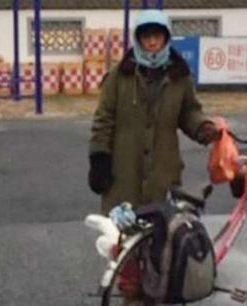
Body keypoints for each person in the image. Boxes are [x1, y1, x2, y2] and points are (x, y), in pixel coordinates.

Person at [88, 10, 219, 305]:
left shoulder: (179, 76)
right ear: (138, 38)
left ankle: (155, 296)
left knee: (163, 246)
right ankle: (131, 297)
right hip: (124, 176)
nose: (151, 42)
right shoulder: (119, 76)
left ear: (165, 38)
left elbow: (189, 113)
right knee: (127, 247)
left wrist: (203, 128)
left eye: (156, 35)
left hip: (163, 175)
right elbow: (103, 119)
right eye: (146, 35)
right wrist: (99, 158)